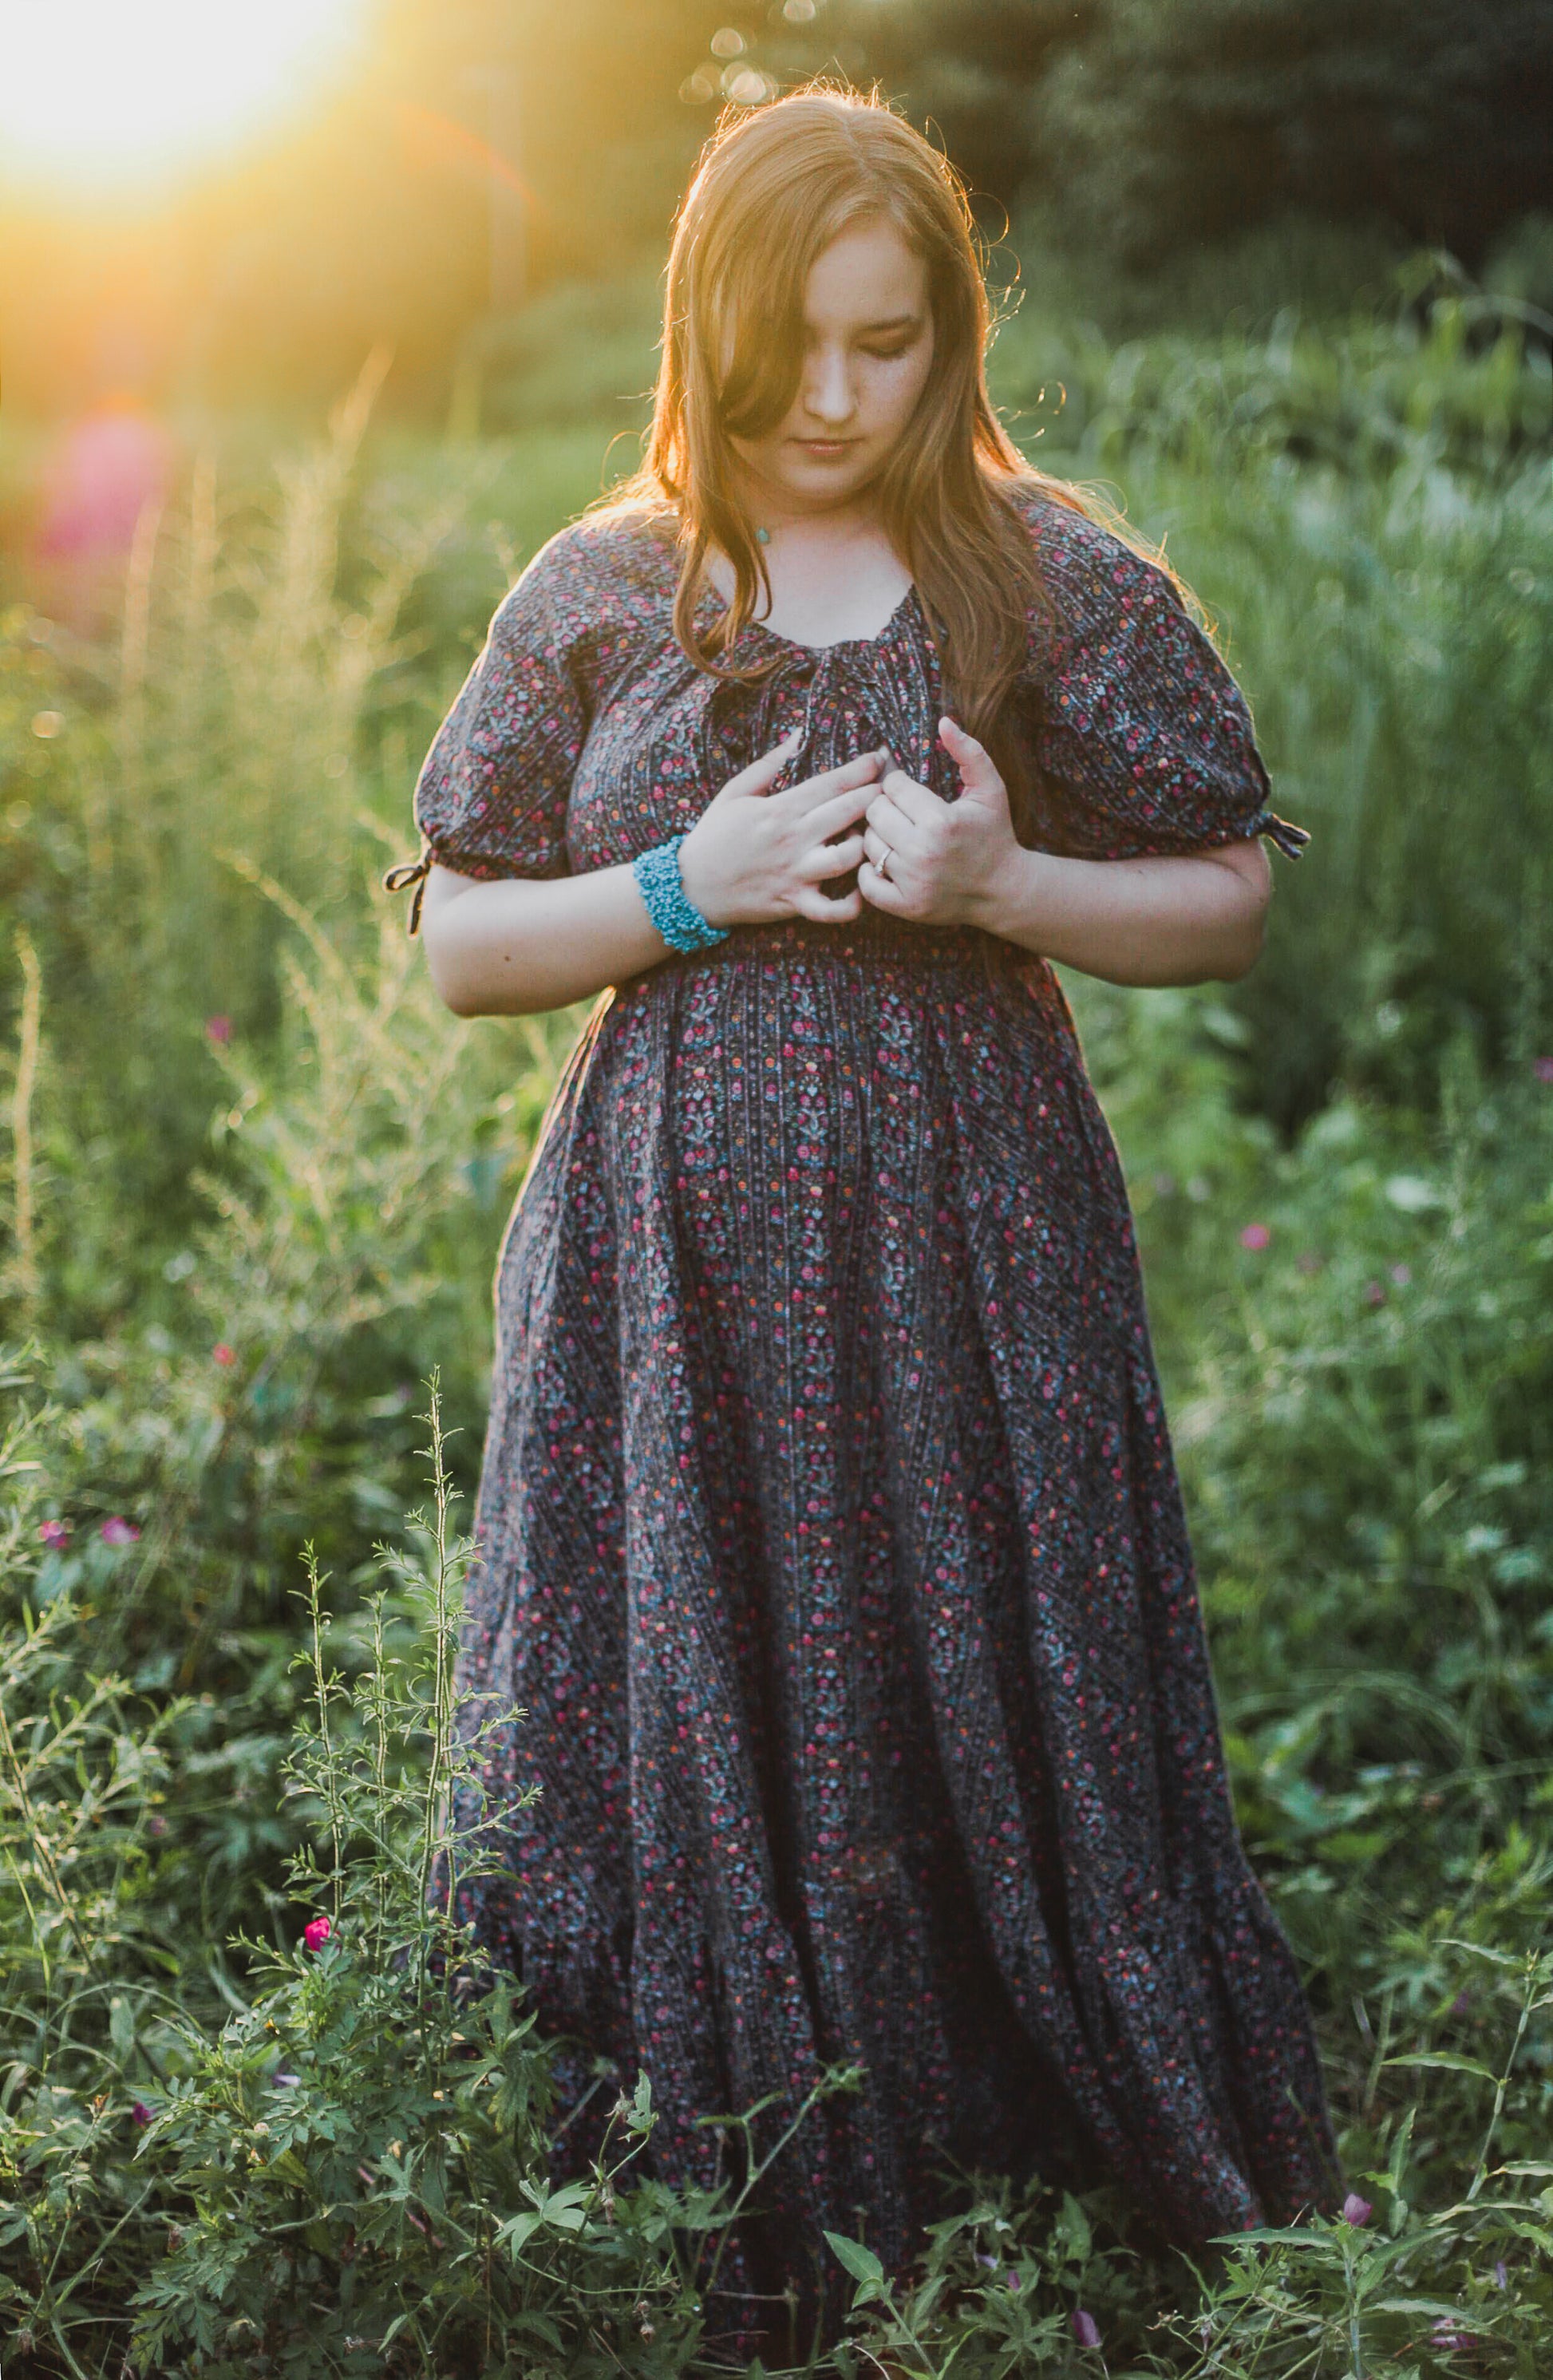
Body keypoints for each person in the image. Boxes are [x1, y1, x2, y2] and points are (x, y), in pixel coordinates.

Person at [389, 83, 1336, 2355]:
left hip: (973, 1260)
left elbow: (1221, 900)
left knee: (980, 1669)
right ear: (704, 329)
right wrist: (673, 891)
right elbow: (450, 941)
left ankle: (1021, 2136)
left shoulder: (1048, 575)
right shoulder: (603, 588)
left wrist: (1007, 883)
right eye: (787, 349)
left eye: (887, 344)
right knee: (690, 1676)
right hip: (669, 1271)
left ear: (951, 334)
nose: (833, 400)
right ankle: (704, 2170)